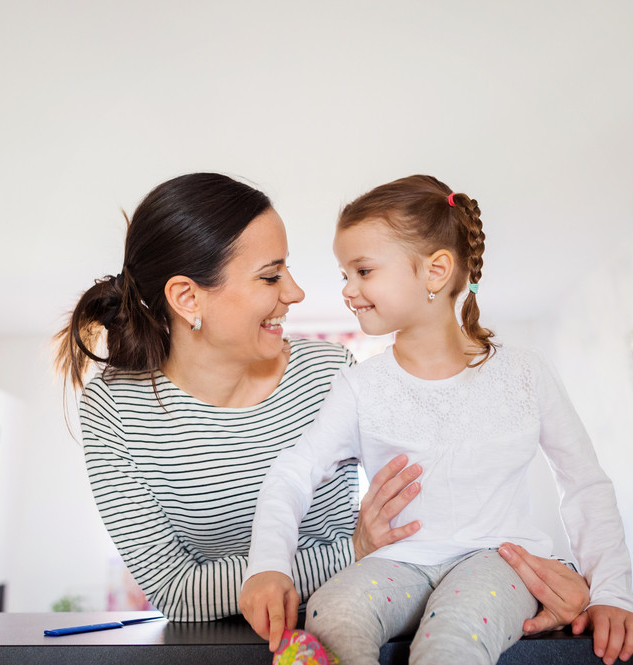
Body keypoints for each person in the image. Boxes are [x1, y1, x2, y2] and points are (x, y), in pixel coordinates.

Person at [55, 172, 592, 628]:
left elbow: (459, 495)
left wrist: (549, 572)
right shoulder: (114, 411)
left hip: (361, 620)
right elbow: (175, 591)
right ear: (187, 297)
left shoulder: (329, 373)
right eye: (271, 275)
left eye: (286, 268)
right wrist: (351, 553)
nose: (296, 292)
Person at [240, 175, 633, 665]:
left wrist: (611, 592)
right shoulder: (359, 387)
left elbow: (584, 483)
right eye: (344, 275)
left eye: (363, 270)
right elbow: (292, 473)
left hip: (500, 562)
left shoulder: (525, 373)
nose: (348, 290)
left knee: (454, 636)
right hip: (399, 564)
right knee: (330, 614)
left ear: (436, 271)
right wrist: (266, 566)